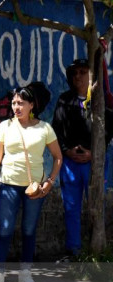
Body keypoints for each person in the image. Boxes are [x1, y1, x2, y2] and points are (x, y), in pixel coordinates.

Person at [0, 84, 62, 282]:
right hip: (8, 185)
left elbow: (58, 157)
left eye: (21, 103)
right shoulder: (5, 127)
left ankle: (25, 274)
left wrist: (50, 181)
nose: (16, 107)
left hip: (34, 188)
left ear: (31, 105)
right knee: (4, 230)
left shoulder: (44, 128)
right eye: (14, 103)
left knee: (29, 230)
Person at [52, 59, 113, 261]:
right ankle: (74, 252)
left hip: (94, 163)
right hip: (70, 163)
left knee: (96, 207)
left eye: (82, 72)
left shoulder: (101, 101)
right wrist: (66, 150)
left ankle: (97, 253)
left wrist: (93, 153)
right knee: (71, 208)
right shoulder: (64, 100)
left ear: (92, 75)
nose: (77, 76)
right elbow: (56, 129)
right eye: (74, 73)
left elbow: (108, 131)